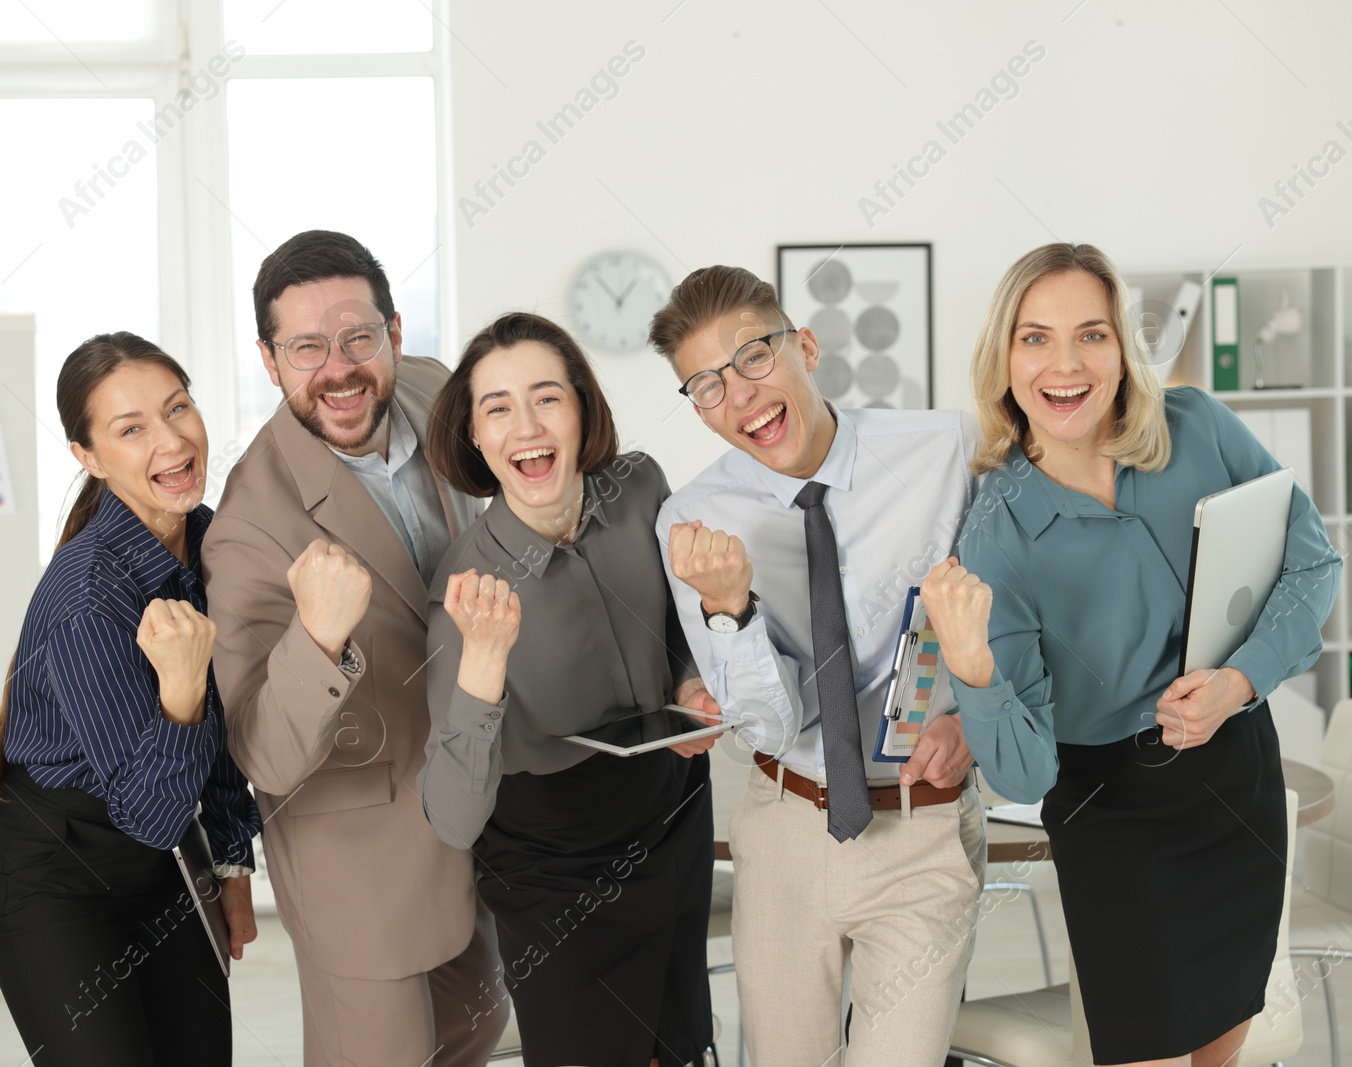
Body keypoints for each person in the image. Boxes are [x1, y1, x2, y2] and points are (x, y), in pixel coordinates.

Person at [920, 242, 1342, 1066]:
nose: (1066, 363)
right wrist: (972, 670)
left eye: (1092, 334)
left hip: (1235, 777)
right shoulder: (997, 531)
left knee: (1223, 1043)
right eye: (1035, 337)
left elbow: (1313, 561)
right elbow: (1026, 773)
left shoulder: (1198, 426)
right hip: (1111, 813)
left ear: (1123, 347)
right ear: (1004, 357)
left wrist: (1240, 681)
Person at [649, 266, 987, 1066]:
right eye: (705, 385)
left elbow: (1028, 605)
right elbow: (766, 724)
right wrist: (730, 609)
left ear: (805, 345)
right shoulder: (692, 520)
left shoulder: (947, 449)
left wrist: (979, 716)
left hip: (922, 821)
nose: (738, 396)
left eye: (753, 358)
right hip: (784, 829)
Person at [202, 231, 504, 1066]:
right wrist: (318, 635)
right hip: (360, 855)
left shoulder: (440, 392)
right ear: (270, 361)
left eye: (356, 338)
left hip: (474, 805)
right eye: (305, 347)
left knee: (476, 1026)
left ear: (395, 333)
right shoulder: (249, 524)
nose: (336, 369)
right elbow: (260, 747)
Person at [417, 311, 719, 1067]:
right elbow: (453, 818)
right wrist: (484, 662)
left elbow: (679, 623)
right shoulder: (463, 587)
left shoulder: (642, 483)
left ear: (583, 408)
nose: (526, 425)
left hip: (671, 808)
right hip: (555, 863)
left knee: (677, 1049)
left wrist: (689, 679)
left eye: (547, 397)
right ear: (476, 439)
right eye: (497, 408)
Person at [0, 332, 261, 1067]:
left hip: (161, 865)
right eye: (132, 429)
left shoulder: (207, 539)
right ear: (88, 457)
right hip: (53, 877)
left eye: (178, 408)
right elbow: (150, 808)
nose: (171, 441)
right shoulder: (89, 597)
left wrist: (230, 864)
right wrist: (182, 689)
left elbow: (221, 733)